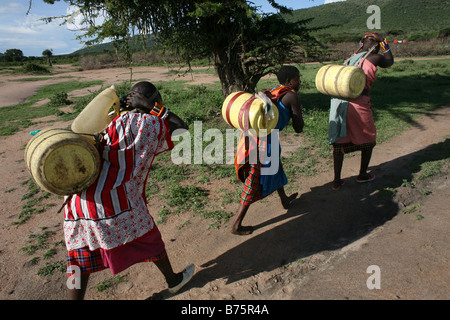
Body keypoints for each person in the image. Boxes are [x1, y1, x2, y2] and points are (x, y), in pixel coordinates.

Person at [63, 81, 193, 299]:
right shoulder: (149, 123)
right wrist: (156, 109)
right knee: (150, 239)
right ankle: (173, 280)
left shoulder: (109, 121)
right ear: (155, 101)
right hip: (115, 200)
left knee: (77, 259)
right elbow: (181, 127)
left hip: (78, 198)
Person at [231, 66, 304, 235]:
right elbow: (298, 128)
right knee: (254, 180)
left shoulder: (274, 90)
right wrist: (298, 112)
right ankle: (236, 224)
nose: (299, 82)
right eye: (297, 79)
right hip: (264, 142)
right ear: (288, 81)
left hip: (254, 136)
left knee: (275, 167)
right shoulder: (292, 95)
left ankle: (284, 200)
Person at [329, 32, 394, 190]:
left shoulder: (349, 59)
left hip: (340, 103)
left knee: (339, 143)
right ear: (376, 46)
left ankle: (337, 180)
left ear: (361, 44)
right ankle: (363, 174)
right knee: (368, 138)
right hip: (359, 105)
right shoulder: (375, 58)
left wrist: (367, 41)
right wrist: (383, 41)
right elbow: (390, 61)